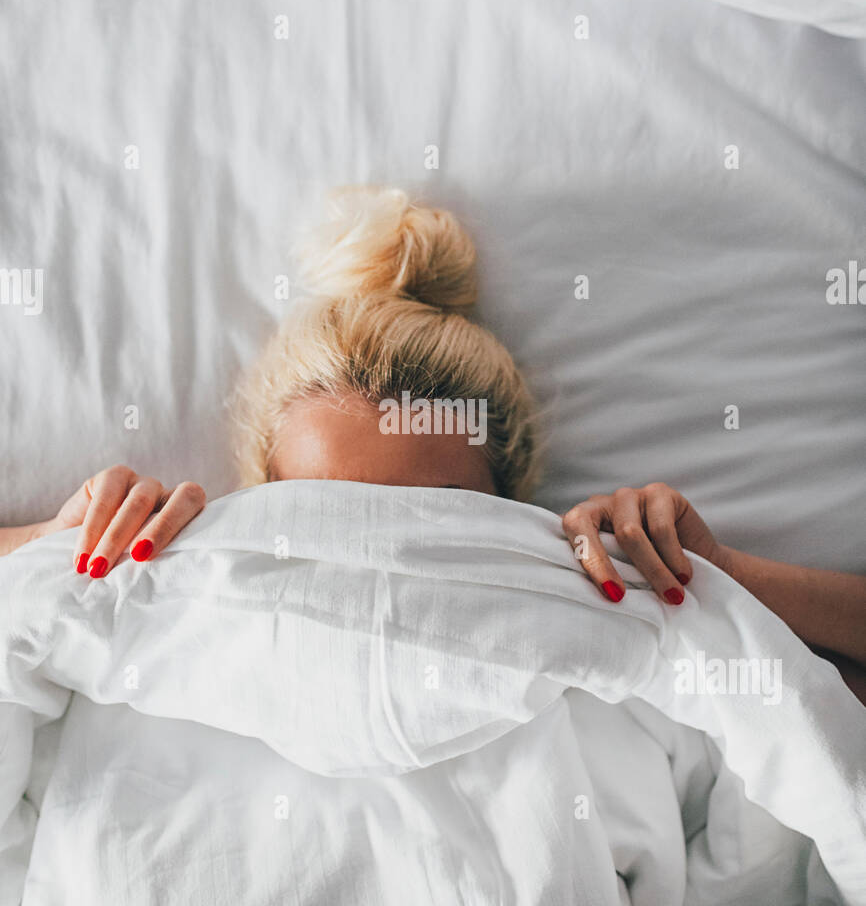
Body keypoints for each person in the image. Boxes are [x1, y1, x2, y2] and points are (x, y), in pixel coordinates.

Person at [3, 186, 865, 700]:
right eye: (326, 512)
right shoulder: (164, 601)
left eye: (439, 516)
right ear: (257, 493)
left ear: (512, 502)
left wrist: (713, 579)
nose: (385, 559)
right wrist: (44, 556)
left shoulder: (589, 607)